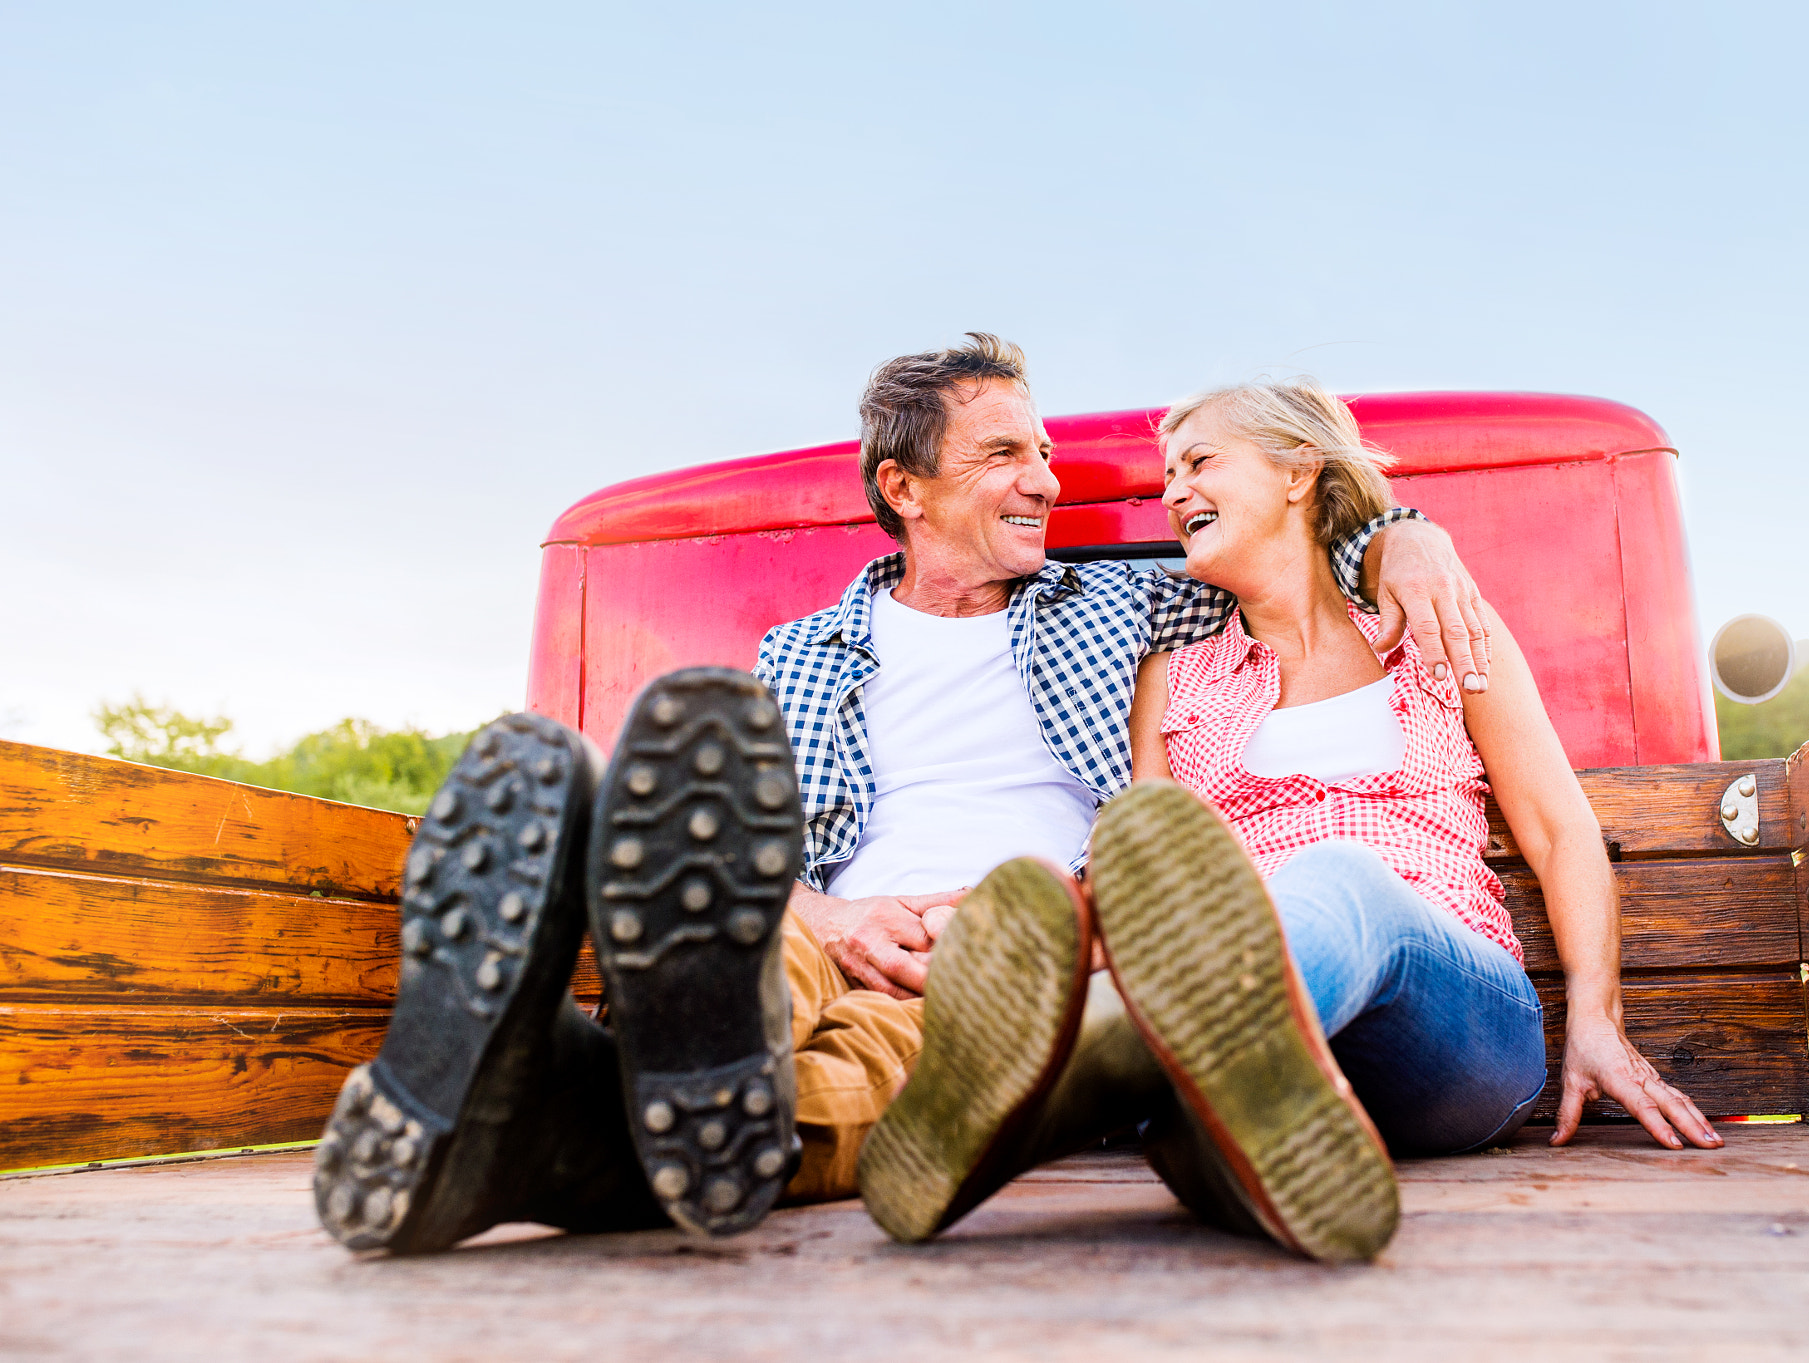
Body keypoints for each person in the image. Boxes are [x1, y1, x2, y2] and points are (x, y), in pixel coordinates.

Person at [312, 336, 1492, 1253]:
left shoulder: (1125, 607)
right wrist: (827, 918)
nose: (1045, 480)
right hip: (820, 921)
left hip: (1001, 943)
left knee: (883, 1061)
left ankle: (541, 1100)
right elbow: (738, 847)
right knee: (740, 963)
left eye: (1040, 454)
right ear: (905, 487)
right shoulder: (798, 653)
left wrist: (1401, 533)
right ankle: (621, 1075)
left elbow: (1286, 567)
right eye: (1003, 457)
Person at [874, 376, 1721, 1261]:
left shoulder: (1438, 628)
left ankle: (1083, 1085)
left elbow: (1559, 829)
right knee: (1155, 862)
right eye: (1168, 475)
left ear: (1297, 471)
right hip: (1281, 1059)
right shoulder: (1174, 680)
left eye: (1200, 461)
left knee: (1341, 878)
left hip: (1457, 1031)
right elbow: (1150, 890)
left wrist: (1597, 1014)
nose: (1173, 492)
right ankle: (1219, 1124)